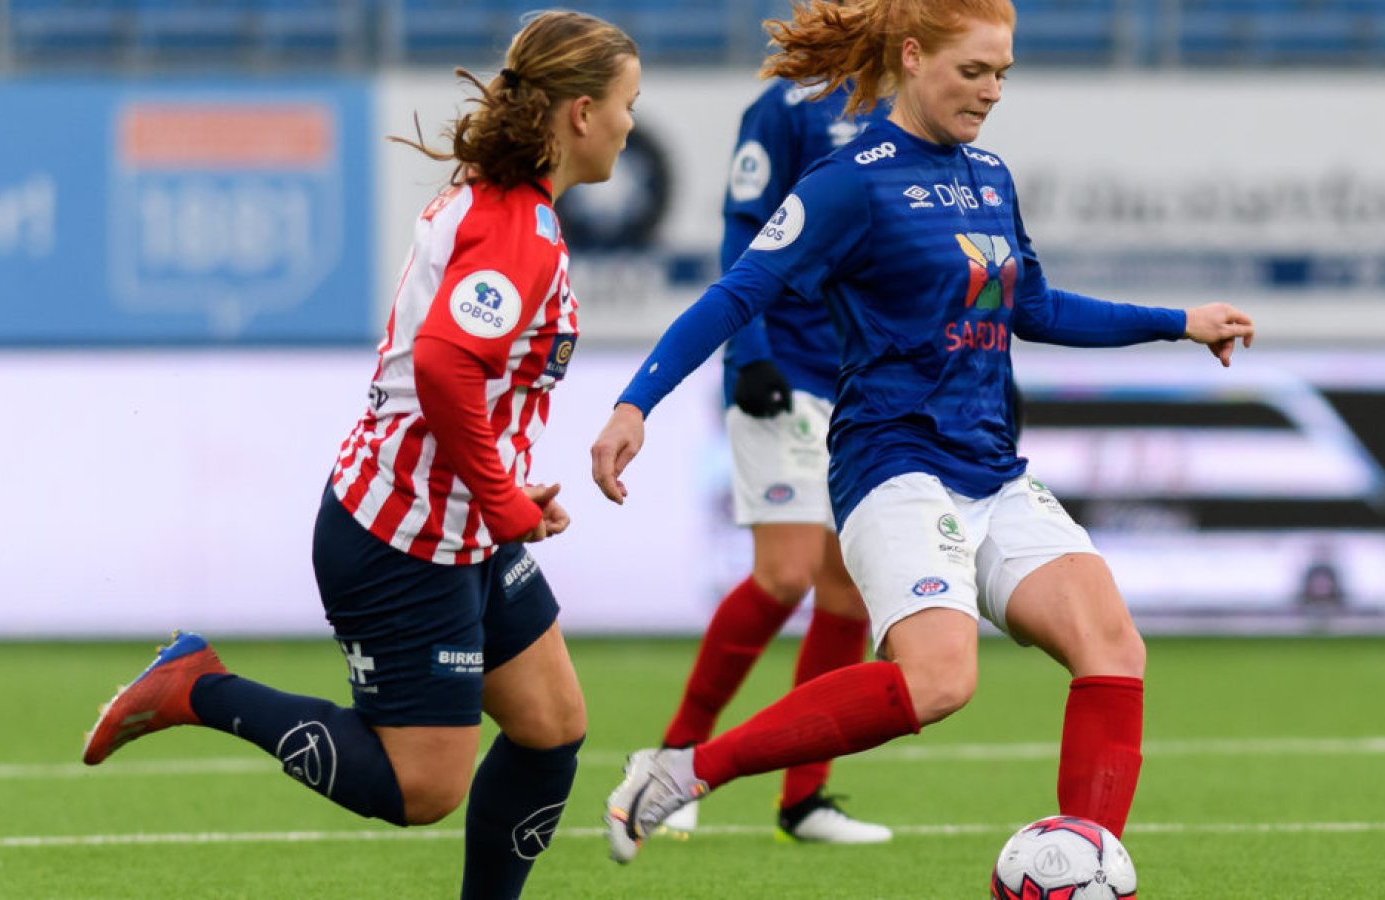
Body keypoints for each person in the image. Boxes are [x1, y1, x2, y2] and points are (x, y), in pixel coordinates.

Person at [590, 0, 1255, 865]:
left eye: (1002, 75)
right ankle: (683, 772)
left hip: (990, 467)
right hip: (893, 464)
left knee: (1112, 645)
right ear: (911, 57)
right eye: (972, 72)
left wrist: (1179, 321)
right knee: (943, 681)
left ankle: (1082, 865)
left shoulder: (990, 176)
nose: (990, 92)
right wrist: (636, 402)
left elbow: (1038, 310)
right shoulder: (849, 181)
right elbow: (737, 291)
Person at [80, 11, 641, 897]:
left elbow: (455, 377)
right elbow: (446, 361)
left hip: (458, 524)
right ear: (579, 113)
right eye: (625, 104)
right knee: (422, 789)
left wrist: (495, 491)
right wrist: (501, 504)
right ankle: (196, 687)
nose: (630, 124)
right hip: (403, 540)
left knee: (551, 725)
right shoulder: (517, 231)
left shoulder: (496, 203)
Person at [654, 74, 892, 845]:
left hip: (868, 375)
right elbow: (744, 229)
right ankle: (675, 758)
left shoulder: (917, 101)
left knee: (848, 589)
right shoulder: (788, 107)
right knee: (786, 574)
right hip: (783, 369)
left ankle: (805, 798)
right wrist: (749, 351)